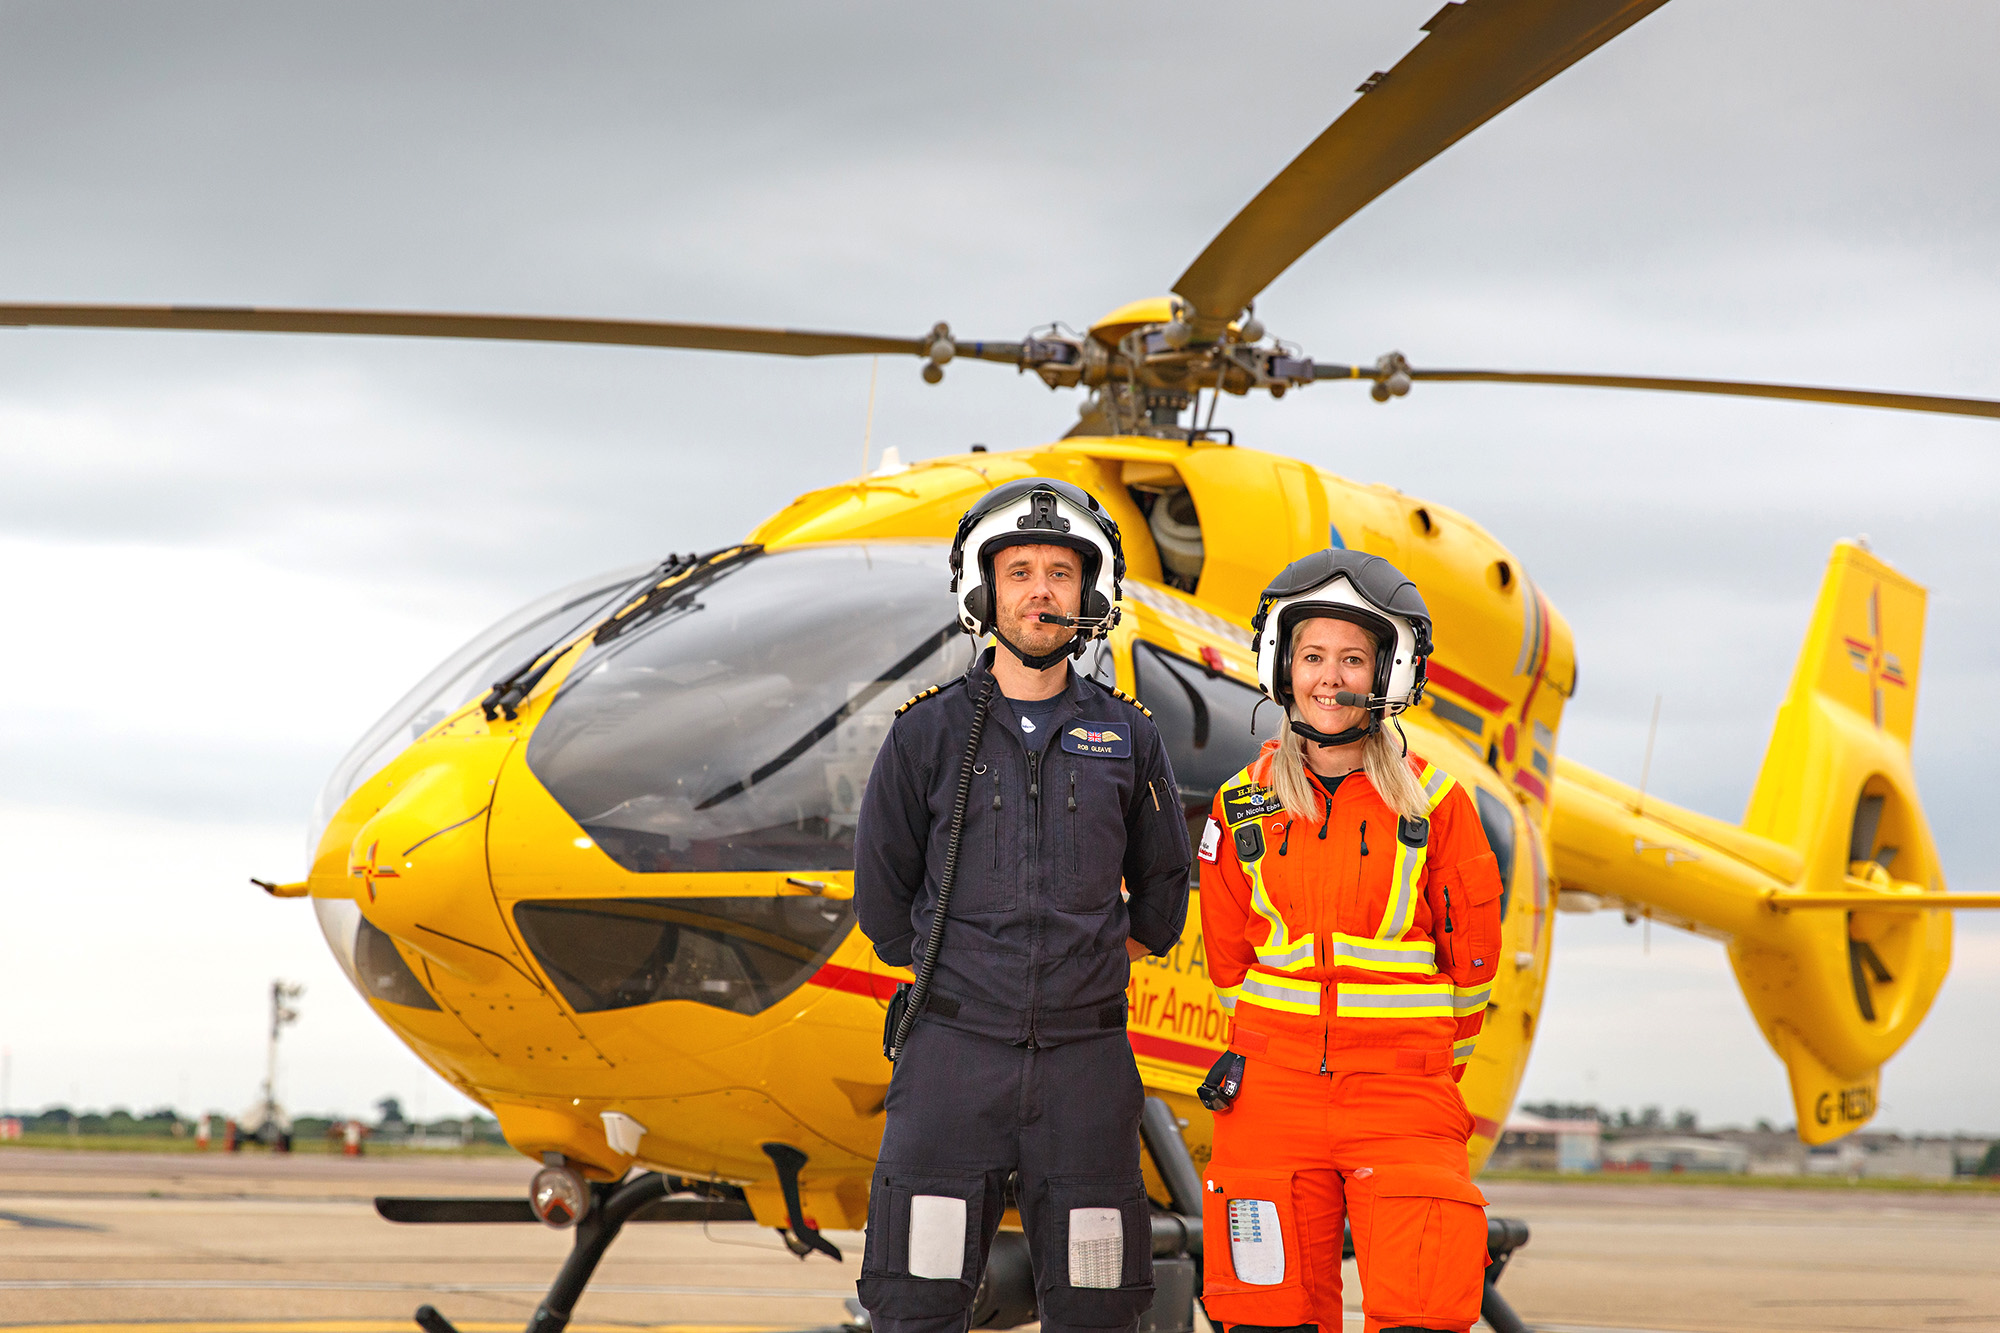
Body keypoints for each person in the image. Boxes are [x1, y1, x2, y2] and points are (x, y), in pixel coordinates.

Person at [853, 477, 1192, 1333]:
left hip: (1087, 1068)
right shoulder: (924, 735)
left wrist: (1077, 975)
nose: (1041, 590)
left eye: (1061, 572)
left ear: (1089, 594)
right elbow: (883, 906)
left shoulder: (1130, 735)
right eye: (1020, 571)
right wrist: (973, 980)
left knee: (1097, 1305)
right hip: (951, 1060)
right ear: (984, 589)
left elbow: (1160, 902)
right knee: (916, 1301)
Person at [1196, 549, 1504, 1333]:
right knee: (1265, 1319)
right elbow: (1229, 963)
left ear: (1387, 672)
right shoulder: (1239, 806)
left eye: (1352, 658)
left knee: (1422, 1316)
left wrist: (1414, 1066)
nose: (1328, 678)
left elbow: (1474, 970)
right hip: (1271, 1098)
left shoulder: (1439, 808)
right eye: (1312, 656)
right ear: (1282, 665)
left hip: (1403, 1099)